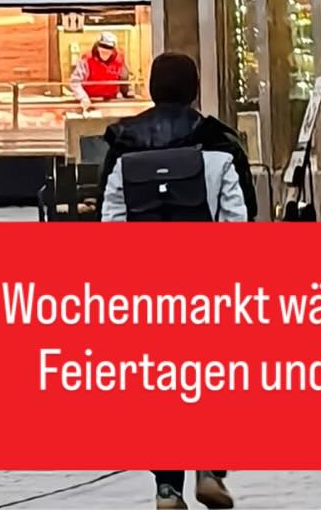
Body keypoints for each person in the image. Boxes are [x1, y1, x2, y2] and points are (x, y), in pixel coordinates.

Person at [100, 52, 250, 510]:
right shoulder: (219, 144)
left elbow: (111, 224)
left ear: (150, 88)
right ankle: (208, 468)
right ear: (195, 89)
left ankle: (167, 488)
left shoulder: (123, 145)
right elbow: (239, 220)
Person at [70, 31, 132, 108]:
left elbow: (123, 79)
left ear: (113, 51)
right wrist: (82, 97)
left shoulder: (119, 59)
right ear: (97, 47)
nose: (104, 54)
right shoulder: (87, 59)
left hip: (111, 101)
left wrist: (125, 94)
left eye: (107, 52)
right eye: (102, 51)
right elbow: (75, 81)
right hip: (90, 101)